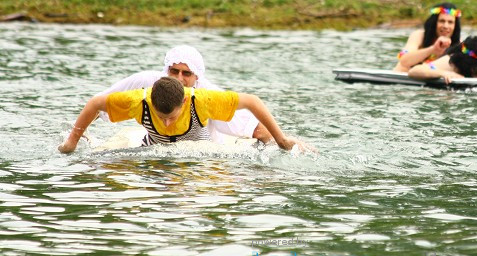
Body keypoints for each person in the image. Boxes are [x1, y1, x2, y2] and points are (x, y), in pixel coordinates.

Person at [59, 77, 304, 154]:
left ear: (185, 101)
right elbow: (94, 103)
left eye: (172, 117)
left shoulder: (202, 99)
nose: (166, 123)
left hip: (199, 153)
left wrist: (281, 141)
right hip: (153, 150)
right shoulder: (138, 101)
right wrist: (71, 142)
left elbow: (253, 101)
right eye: (160, 117)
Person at [96, 45, 275, 144]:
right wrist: (77, 136)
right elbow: (100, 103)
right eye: (174, 71)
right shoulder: (147, 81)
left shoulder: (207, 95)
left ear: (197, 75)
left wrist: (280, 143)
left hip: (200, 158)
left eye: (186, 73)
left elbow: (255, 126)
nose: (179, 78)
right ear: (166, 69)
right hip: (156, 151)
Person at [393, 2, 462, 73]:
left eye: (450, 22)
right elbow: (403, 61)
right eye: (442, 21)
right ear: (434, 22)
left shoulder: (459, 45)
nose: (445, 26)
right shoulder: (419, 35)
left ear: (455, 26)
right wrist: (432, 49)